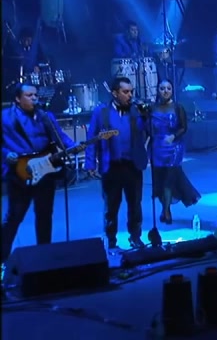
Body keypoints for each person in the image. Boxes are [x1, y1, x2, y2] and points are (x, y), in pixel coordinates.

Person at [1, 83, 76, 263]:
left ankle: (44, 256)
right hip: (19, 172)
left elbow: (60, 137)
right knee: (14, 217)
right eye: (29, 95)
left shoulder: (45, 116)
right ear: (18, 99)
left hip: (44, 170)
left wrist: (74, 147)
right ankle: (2, 258)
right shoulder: (5, 117)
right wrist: (6, 154)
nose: (34, 98)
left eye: (35, 95)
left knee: (44, 215)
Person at [85, 76, 149, 249]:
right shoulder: (101, 112)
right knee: (111, 206)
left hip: (132, 165)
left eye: (131, 92)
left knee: (135, 204)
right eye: (125, 92)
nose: (130, 95)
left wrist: (146, 116)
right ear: (115, 93)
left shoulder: (137, 111)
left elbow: (149, 131)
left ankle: (135, 237)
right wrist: (90, 163)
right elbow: (91, 138)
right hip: (111, 166)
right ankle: (111, 240)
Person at [148, 79, 201, 224]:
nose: (165, 91)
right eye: (162, 88)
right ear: (158, 90)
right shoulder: (152, 108)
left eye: (168, 88)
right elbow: (148, 128)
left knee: (169, 179)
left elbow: (184, 127)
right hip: (157, 148)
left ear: (172, 90)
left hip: (174, 148)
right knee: (160, 179)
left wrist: (173, 136)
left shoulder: (178, 107)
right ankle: (164, 208)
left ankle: (166, 211)